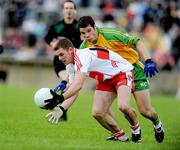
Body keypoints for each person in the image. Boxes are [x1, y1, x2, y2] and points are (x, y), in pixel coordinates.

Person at [77, 16, 164, 143]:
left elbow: (137, 41)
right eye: (83, 33)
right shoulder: (85, 46)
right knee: (102, 110)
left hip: (135, 70)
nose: (86, 35)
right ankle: (122, 134)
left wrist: (149, 60)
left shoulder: (110, 35)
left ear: (95, 26)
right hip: (115, 75)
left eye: (89, 31)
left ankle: (157, 124)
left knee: (146, 111)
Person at [45, 37, 142, 142]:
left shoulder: (82, 57)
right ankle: (120, 136)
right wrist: (62, 108)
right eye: (57, 56)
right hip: (105, 80)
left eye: (61, 54)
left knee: (123, 106)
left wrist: (60, 98)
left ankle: (136, 130)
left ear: (70, 49)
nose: (59, 59)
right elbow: (74, 90)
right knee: (97, 113)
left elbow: (78, 85)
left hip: (122, 72)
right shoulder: (70, 66)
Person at [44, 0, 82, 121]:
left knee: (70, 85)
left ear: (75, 10)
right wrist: (53, 44)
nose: (69, 10)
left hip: (76, 62)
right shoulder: (56, 27)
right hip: (60, 62)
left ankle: (61, 108)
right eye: (66, 8)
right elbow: (48, 39)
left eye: (71, 8)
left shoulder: (79, 27)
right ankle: (61, 109)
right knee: (68, 82)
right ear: (63, 10)